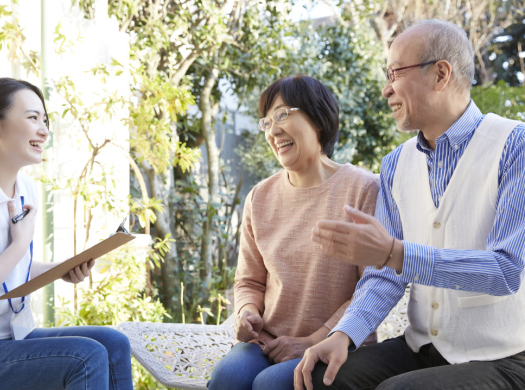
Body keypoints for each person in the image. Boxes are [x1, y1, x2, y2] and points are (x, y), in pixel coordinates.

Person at [294, 19, 525, 390]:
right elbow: (386, 272)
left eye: (394, 73)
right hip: (423, 345)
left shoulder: (515, 146)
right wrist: (344, 335)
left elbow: (506, 270)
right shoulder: (395, 164)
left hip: (505, 356)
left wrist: (395, 252)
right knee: (323, 379)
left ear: (440, 74)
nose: (386, 90)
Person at [0, 78, 133, 389]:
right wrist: (19, 246)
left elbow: (8, 272)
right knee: (86, 356)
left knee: (113, 344)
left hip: (10, 337)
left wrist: (61, 269)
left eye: (45, 120)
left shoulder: (25, 189)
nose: (44, 131)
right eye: (32, 118)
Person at [207, 75, 379, 390]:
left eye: (283, 115)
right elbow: (249, 281)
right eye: (266, 122)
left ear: (318, 117)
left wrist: (313, 340)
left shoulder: (363, 189)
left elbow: (370, 288)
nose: (273, 130)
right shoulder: (260, 197)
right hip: (267, 342)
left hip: (339, 344)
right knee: (228, 378)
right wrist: (247, 312)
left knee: (272, 385)